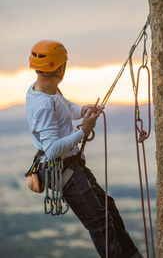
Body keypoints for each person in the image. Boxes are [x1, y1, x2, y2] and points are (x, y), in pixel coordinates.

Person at [26, 40, 143, 258]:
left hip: (68, 165)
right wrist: (83, 130)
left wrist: (84, 110)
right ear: (60, 68)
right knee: (100, 223)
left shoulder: (47, 91)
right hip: (60, 168)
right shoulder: (42, 104)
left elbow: (66, 108)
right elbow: (51, 149)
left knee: (109, 209)